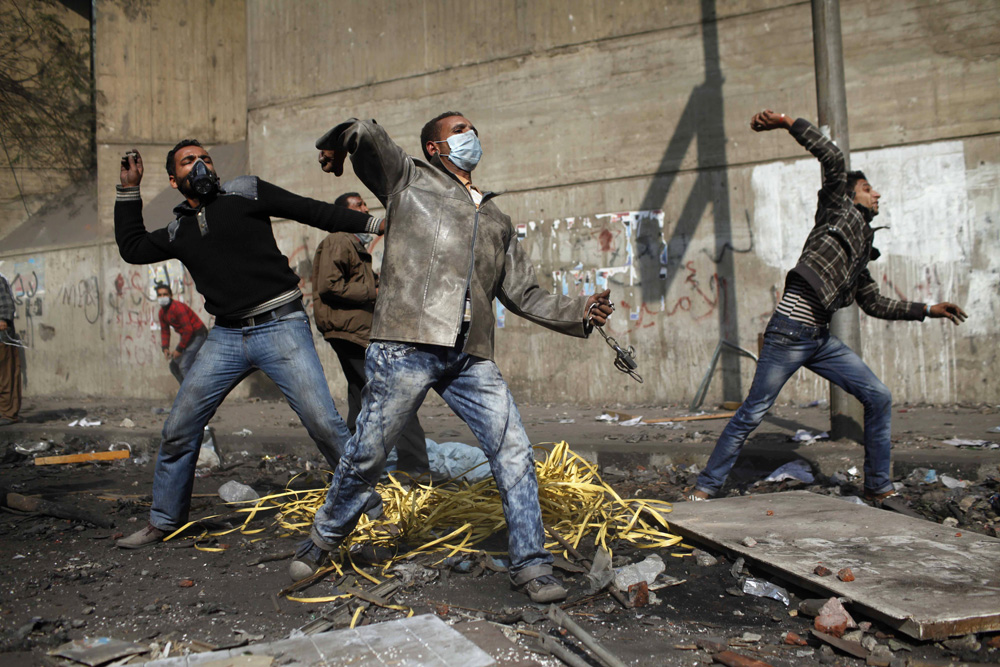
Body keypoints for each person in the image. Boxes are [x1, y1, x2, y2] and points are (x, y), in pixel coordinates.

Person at [292, 112, 614, 604]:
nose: (472, 135)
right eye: (460, 130)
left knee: (513, 450)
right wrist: (338, 140)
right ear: (436, 149)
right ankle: (322, 539)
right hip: (405, 345)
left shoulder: (497, 219)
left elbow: (522, 292)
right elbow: (367, 133)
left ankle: (531, 564)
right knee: (370, 451)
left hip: (469, 354)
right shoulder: (408, 182)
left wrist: (581, 310)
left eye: (473, 128)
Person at [690, 109, 968, 505]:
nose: (877, 195)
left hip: (819, 339)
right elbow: (833, 160)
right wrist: (788, 123)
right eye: (870, 189)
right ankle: (705, 488)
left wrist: (927, 309)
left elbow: (873, 303)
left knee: (878, 396)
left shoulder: (860, 254)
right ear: (853, 193)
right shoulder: (836, 211)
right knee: (751, 413)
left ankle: (878, 488)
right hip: (788, 331)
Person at [113, 140, 381, 549]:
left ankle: (369, 506)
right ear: (173, 179)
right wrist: (129, 190)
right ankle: (164, 520)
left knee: (324, 424)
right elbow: (131, 248)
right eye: (189, 161)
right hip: (226, 337)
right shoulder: (177, 230)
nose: (201, 164)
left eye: (205, 158)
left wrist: (376, 225)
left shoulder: (245, 191)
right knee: (178, 429)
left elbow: (312, 210)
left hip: (281, 325)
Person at [311, 190, 429, 475]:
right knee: (396, 394)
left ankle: (354, 469)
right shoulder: (339, 239)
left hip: (352, 331)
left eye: (364, 204)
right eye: (357, 206)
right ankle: (415, 470)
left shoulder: (351, 243)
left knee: (359, 399)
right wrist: (375, 291)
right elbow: (330, 285)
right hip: (351, 332)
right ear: (343, 214)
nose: (365, 209)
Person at [156, 283, 207, 385]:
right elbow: (165, 331)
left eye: (165, 294)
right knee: (174, 366)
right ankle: (185, 392)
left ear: (170, 296)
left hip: (198, 335)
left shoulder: (177, 308)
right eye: (160, 295)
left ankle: (193, 394)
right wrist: (165, 347)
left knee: (184, 366)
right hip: (188, 337)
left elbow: (188, 329)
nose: (162, 297)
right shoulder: (162, 313)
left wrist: (179, 349)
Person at [0, 272, 21, 426]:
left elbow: (7, 305)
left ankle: (8, 413)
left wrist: (3, 319)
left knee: (6, 375)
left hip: (2, 337)